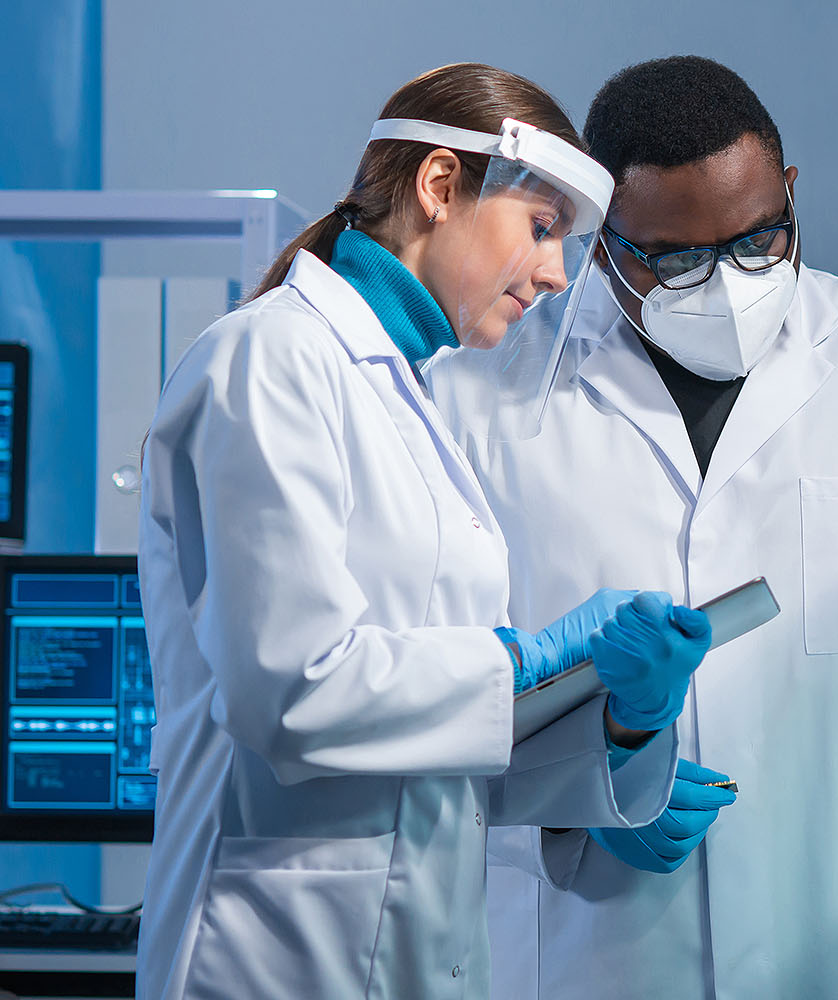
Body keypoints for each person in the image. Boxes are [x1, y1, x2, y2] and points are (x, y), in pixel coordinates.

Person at [427, 56, 838, 999]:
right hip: (585, 954)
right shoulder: (473, 394)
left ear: (791, 194)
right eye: (677, 260)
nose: (727, 283)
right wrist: (565, 795)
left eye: (761, 240)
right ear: (603, 242)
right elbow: (412, 685)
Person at [135, 63, 713, 1000]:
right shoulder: (267, 362)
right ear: (440, 186)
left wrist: (612, 730)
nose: (559, 274)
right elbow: (289, 688)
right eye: (540, 228)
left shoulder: (412, 397)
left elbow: (440, 753)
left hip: (416, 954)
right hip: (271, 957)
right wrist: (525, 662)